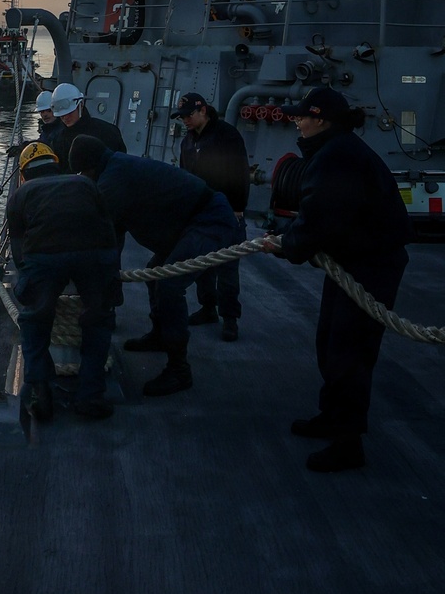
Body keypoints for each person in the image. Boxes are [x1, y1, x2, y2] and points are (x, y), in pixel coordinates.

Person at [263, 87, 409, 473]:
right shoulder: (337, 151)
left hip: (370, 268)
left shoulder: (336, 158)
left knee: (349, 353)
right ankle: (331, 417)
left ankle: (348, 444)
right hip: (353, 262)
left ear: (321, 120)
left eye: (301, 115)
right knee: (330, 342)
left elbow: (321, 220)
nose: (295, 120)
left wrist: (284, 245)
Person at [69, 134, 240, 397]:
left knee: (170, 284)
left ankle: (179, 370)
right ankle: (161, 334)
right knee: (154, 273)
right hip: (188, 222)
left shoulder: (114, 178)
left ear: (91, 166)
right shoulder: (114, 168)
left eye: (82, 171)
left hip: (209, 219)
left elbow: (96, 226)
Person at [6, 141, 120, 422]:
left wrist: (30, 286)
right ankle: (90, 396)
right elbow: (108, 228)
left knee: (35, 322)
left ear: (23, 174)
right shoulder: (85, 184)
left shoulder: (20, 195)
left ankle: (41, 394)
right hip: (92, 253)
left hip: (44, 257)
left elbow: (19, 249)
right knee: (98, 319)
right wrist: (108, 277)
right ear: (58, 165)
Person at [174, 93, 250, 341]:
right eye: (182, 117)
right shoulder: (187, 141)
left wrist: (237, 207)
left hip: (227, 213)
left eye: (188, 115)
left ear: (203, 111)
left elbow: (239, 171)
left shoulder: (227, 135)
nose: (185, 120)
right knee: (202, 265)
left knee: (227, 267)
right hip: (200, 213)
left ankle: (230, 318)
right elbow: (185, 177)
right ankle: (208, 309)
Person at [49, 82, 126, 170]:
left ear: (81, 105)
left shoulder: (107, 132)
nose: (66, 117)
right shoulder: (57, 140)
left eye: (70, 112)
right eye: (62, 115)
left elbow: (119, 166)